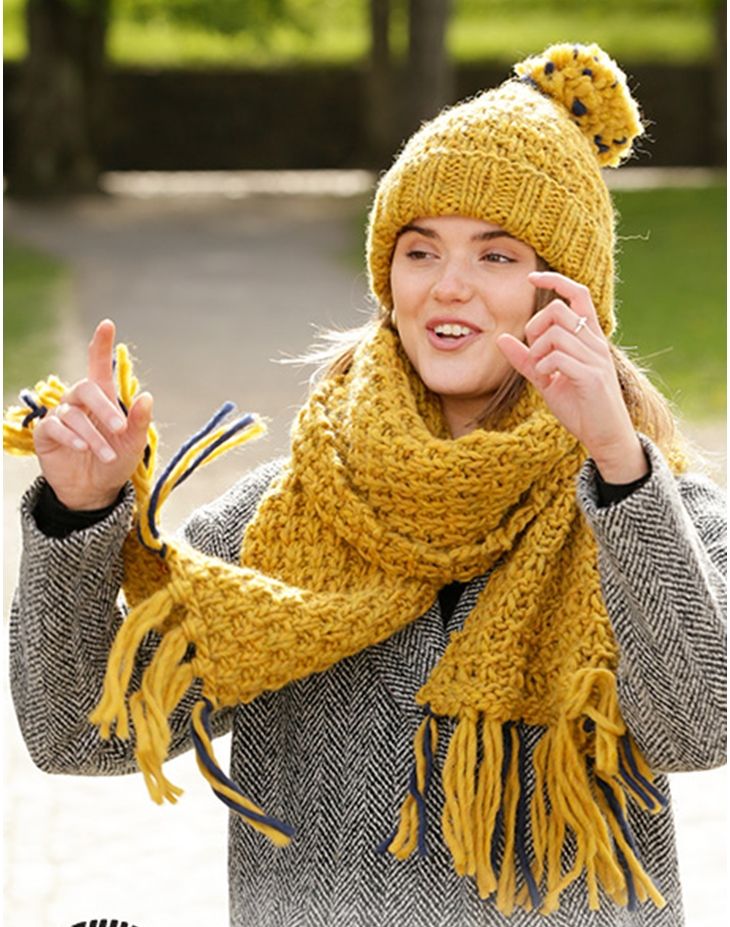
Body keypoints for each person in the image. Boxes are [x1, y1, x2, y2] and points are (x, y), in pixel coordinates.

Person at [6, 42, 726, 927]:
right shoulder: (288, 513)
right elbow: (80, 732)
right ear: (389, 276)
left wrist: (618, 466)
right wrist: (78, 513)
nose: (448, 286)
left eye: (498, 257)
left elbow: (701, 728)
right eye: (420, 251)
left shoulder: (656, 506)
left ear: (568, 293)